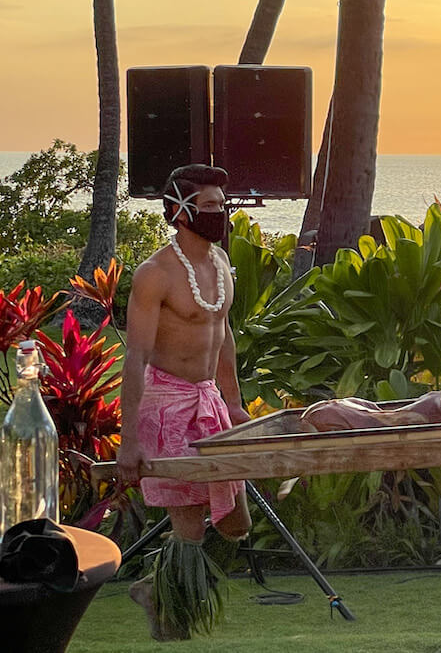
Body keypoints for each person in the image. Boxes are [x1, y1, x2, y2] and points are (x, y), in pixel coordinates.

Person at [116, 164, 251, 640]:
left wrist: (233, 403)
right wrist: (128, 441)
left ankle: (155, 587)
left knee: (236, 523)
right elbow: (136, 356)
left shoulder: (218, 264)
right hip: (166, 404)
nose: (220, 215)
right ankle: (172, 616)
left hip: (208, 400)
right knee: (190, 526)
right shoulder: (155, 275)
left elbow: (223, 335)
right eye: (210, 207)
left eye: (222, 206)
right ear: (178, 211)